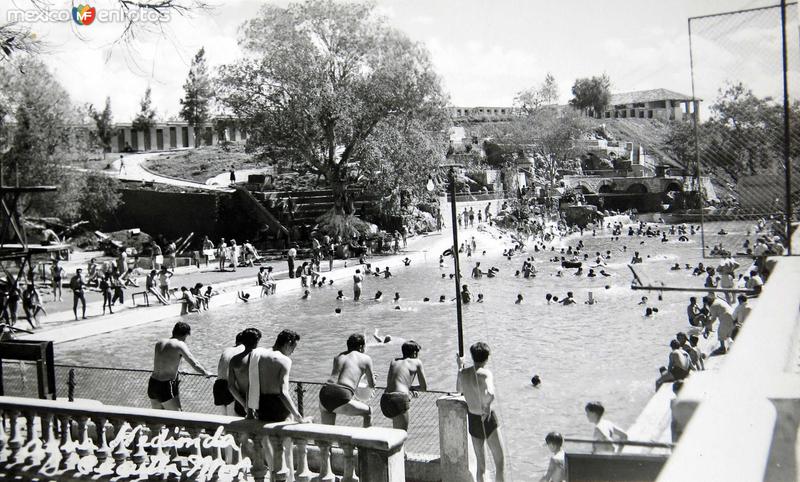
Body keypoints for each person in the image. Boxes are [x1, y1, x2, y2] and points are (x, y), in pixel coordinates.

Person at [457, 342, 506, 482]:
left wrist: (460, 367)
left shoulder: (463, 373)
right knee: (500, 463)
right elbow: (491, 393)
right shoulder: (486, 373)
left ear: (472, 356)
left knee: (481, 467)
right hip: (488, 419)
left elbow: (458, 390)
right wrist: (487, 405)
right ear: (487, 358)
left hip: (473, 419)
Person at [251, 329, 311, 423]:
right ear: (288, 344)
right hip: (278, 408)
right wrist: (299, 417)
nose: (292, 352)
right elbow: (283, 393)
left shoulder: (260, 354)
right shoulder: (284, 360)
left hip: (261, 406)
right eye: (293, 348)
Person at [149, 322, 212, 410]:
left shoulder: (159, 343)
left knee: (157, 418)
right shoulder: (179, 344)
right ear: (185, 334)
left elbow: (162, 362)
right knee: (178, 417)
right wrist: (205, 372)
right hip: (165, 385)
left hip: (153, 383)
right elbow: (195, 363)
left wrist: (177, 370)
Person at [319, 333, 376, 427]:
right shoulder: (366, 358)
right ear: (361, 347)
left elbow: (344, 376)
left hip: (325, 393)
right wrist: (372, 378)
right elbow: (372, 384)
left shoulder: (338, 357)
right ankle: (365, 441)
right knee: (368, 412)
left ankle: (323, 441)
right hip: (341, 395)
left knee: (327, 432)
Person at [381, 340, 428, 431]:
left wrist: (408, 388)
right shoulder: (417, 362)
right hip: (398, 400)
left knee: (395, 434)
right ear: (415, 353)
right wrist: (412, 388)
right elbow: (424, 387)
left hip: (385, 400)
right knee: (401, 436)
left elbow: (390, 383)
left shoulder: (394, 361)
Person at [215, 332, 245, 415]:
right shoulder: (242, 349)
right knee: (232, 418)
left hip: (218, 385)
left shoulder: (227, 350)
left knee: (223, 417)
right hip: (229, 386)